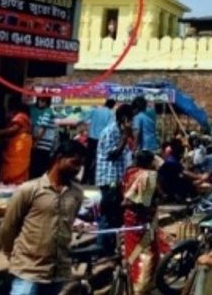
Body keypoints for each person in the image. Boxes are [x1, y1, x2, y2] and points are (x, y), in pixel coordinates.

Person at [0, 140, 85, 295]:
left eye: (80, 165)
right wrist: (11, 253)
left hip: (58, 272)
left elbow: (68, 224)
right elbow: (8, 227)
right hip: (28, 270)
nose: (77, 169)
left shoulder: (76, 194)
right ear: (59, 158)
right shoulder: (29, 190)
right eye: (74, 163)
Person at [95, 104, 134, 252]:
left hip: (117, 179)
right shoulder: (110, 132)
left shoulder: (120, 132)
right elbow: (112, 155)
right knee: (107, 214)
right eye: (130, 120)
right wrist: (124, 137)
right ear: (124, 119)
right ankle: (101, 248)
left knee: (116, 215)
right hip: (109, 179)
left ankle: (111, 247)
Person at [121, 150, 160, 295]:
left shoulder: (129, 172)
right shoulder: (149, 176)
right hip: (143, 220)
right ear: (150, 162)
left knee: (132, 251)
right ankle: (142, 285)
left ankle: (132, 283)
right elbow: (145, 202)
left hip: (129, 217)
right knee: (147, 252)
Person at [0, 98, 33, 184]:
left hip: (19, 144)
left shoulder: (20, 116)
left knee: (14, 166)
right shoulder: (25, 116)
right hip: (24, 143)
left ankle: (12, 183)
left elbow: (14, 129)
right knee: (21, 166)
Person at [83, 98, 116, 184]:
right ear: (112, 106)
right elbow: (109, 128)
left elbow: (85, 119)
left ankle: (84, 179)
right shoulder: (111, 114)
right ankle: (93, 179)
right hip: (101, 140)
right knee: (98, 160)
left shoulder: (95, 110)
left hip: (91, 138)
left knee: (88, 159)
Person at [30, 97, 57, 179]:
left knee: (38, 166)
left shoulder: (47, 112)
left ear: (47, 102)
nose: (41, 103)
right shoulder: (37, 111)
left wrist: (36, 142)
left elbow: (43, 128)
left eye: (44, 101)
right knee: (37, 165)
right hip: (40, 142)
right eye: (40, 100)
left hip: (43, 143)